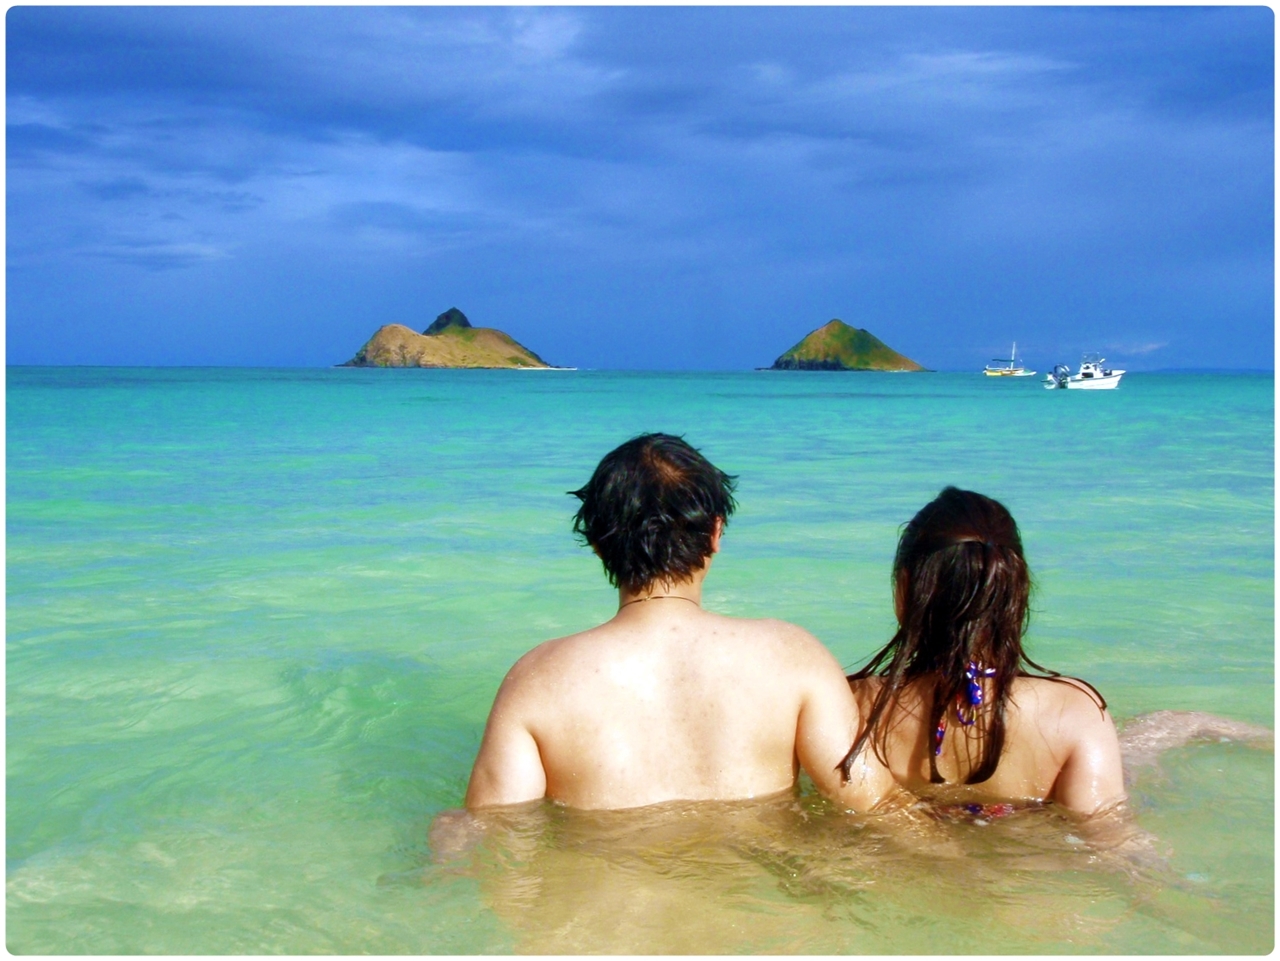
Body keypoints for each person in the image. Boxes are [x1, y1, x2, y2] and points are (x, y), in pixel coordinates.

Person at [464, 432, 897, 813]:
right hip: (752, 881)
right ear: (715, 532)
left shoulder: (538, 680)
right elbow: (874, 804)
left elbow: (493, 834)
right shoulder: (794, 656)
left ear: (597, 543)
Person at [842, 486, 1126, 817]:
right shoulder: (1076, 713)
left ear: (906, 587)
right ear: (1016, 593)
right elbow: (1105, 833)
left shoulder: (852, 705)